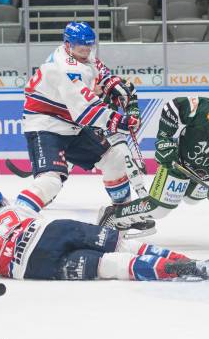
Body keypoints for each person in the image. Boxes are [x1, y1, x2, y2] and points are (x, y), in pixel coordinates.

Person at [0, 187, 209, 281]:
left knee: (111, 266)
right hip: (53, 231)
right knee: (120, 246)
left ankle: (177, 270)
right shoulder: (15, 208)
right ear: (0, 203)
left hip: (35, 266)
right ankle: (186, 261)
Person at [17, 21, 146, 217]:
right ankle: (15, 220)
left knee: (114, 159)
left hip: (72, 127)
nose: (86, 50)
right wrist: (121, 122)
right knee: (50, 181)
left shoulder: (77, 53)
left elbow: (97, 68)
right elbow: (87, 111)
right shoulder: (65, 69)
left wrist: (110, 82)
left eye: (89, 45)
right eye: (80, 46)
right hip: (46, 126)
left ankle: (122, 214)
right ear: (68, 44)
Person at [98, 93, 209, 228]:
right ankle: (114, 215)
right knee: (160, 209)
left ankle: (184, 191)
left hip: (206, 173)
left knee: (192, 199)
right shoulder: (208, 111)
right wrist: (164, 139)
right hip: (177, 162)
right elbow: (173, 107)